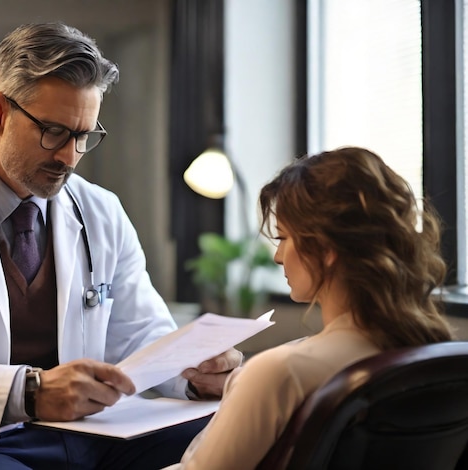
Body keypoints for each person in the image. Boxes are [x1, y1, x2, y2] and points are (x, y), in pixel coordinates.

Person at [0, 22, 242, 469]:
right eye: (54, 132)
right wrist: (29, 393)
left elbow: (139, 335)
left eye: (83, 136)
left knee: (227, 438)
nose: (69, 158)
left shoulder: (101, 211)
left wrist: (193, 372)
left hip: (90, 432)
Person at [164, 146, 455, 470]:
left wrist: (251, 386)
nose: (277, 256)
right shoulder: (437, 354)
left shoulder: (279, 373)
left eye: (284, 237)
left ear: (326, 249)